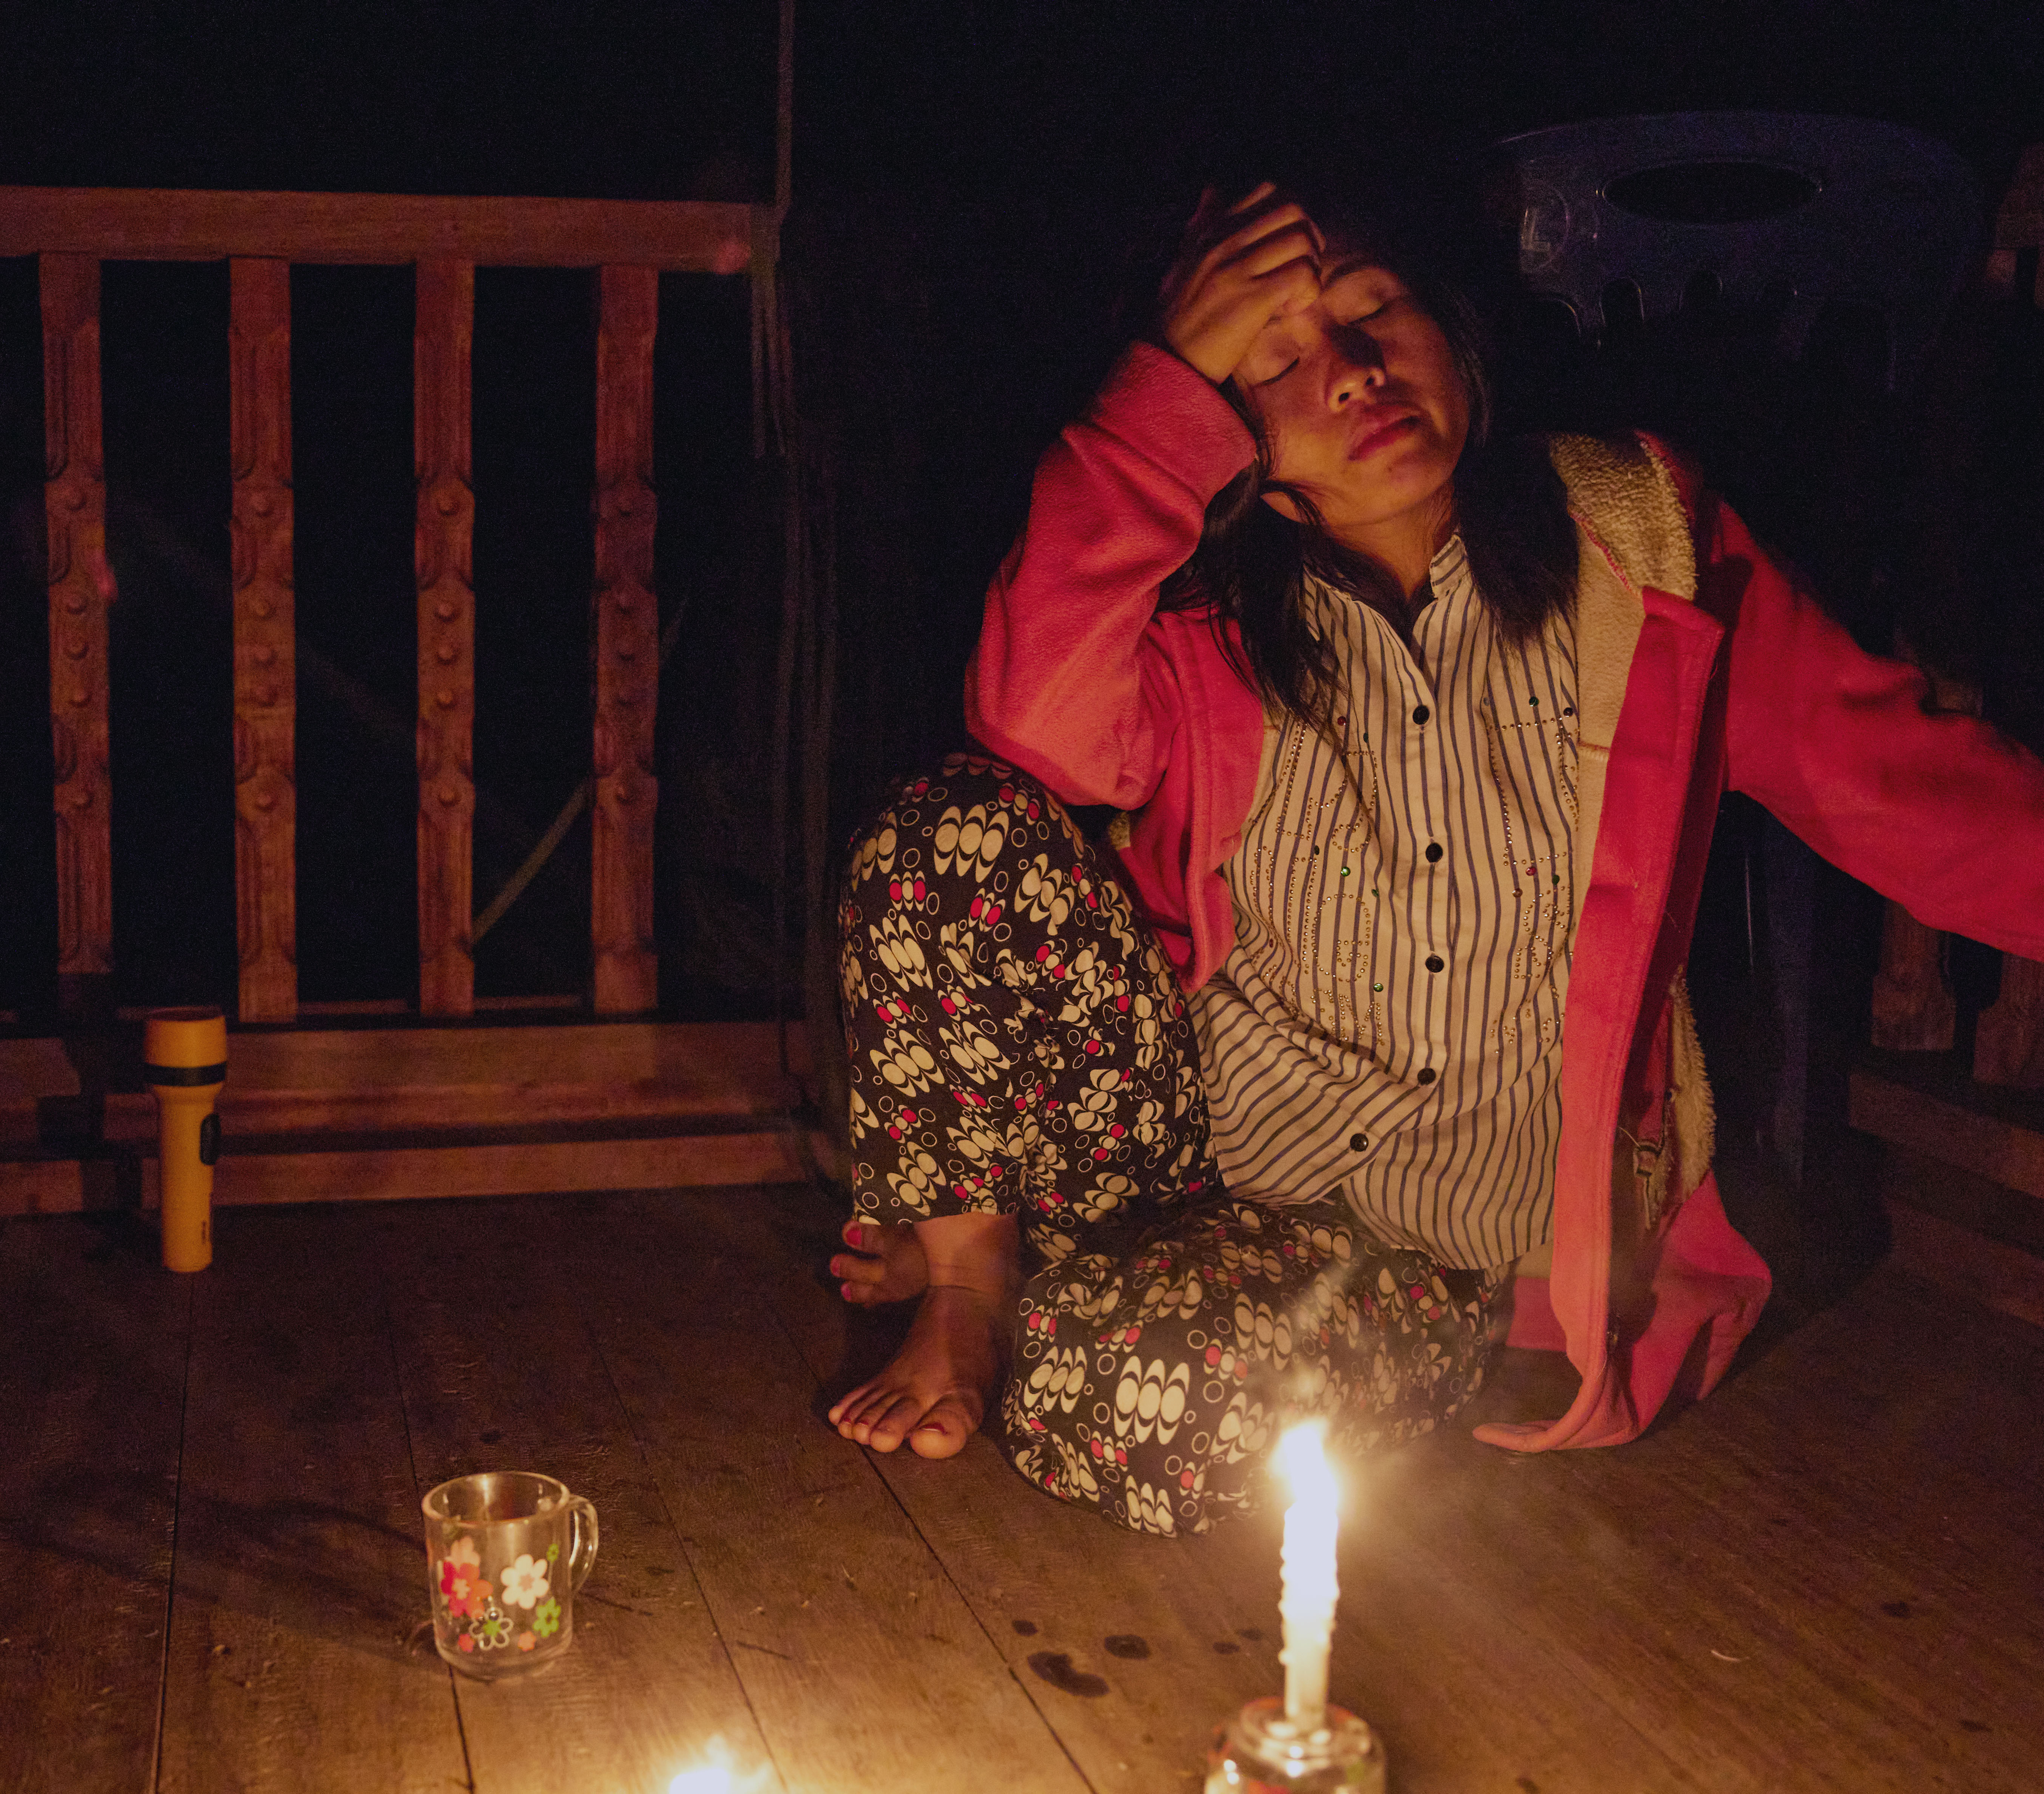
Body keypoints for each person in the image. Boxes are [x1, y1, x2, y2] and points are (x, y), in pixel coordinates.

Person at [822, 178, 2044, 1536]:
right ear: (1224, 437)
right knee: (948, 833)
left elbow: (1903, 788)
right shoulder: (1199, 621)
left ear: (1452, 331)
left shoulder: (1637, 550)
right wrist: (1158, 393)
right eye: (1274, 360)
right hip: (1190, 1153)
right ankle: (970, 1285)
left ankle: (1000, 1242)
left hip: (1436, 1253)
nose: (1349, 374)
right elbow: (1031, 730)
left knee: (1151, 1405)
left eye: (1372, 312)